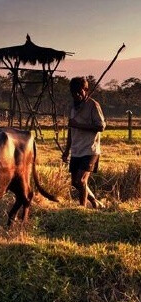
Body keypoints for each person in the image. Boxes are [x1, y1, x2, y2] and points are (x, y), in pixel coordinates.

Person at [61, 77, 105, 208]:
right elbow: (71, 130)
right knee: (75, 182)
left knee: (81, 180)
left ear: (86, 90)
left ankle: (82, 209)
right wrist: (66, 151)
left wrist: (79, 125)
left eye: (79, 92)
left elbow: (101, 126)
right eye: (73, 92)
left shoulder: (93, 105)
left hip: (90, 150)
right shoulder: (73, 107)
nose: (76, 95)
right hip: (76, 150)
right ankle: (95, 202)